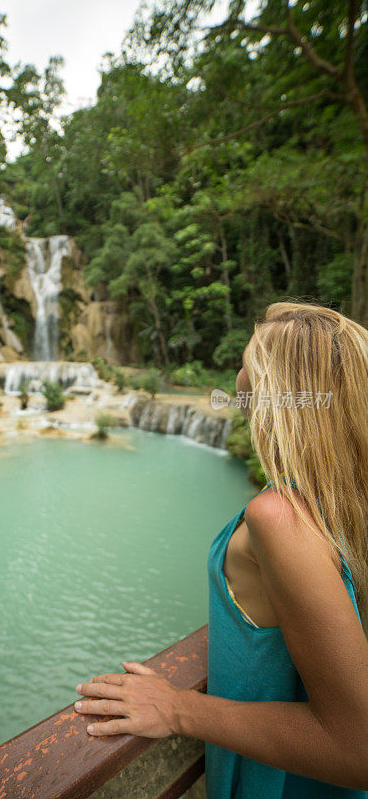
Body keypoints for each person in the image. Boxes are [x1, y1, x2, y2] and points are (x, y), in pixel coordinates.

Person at [73, 301, 368, 796]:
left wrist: (177, 707)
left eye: (248, 361)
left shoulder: (280, 517)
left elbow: (358, 748)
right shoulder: (346, 500)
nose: (236, 377)